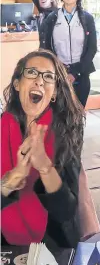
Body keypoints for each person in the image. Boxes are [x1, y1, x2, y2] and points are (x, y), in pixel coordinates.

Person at [1, 49, 85, 250]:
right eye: (31, 73)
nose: (39, 81)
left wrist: (45, 167)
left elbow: (66, 211)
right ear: (17, 84)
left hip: (54, 244)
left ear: (55, 92)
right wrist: (13, 178)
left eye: (48, 77)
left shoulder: (67, 131)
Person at [43, 0, 97, 107]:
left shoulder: (87, 18)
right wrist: (60, 69)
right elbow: (46, 47)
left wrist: (75, 72)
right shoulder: (52, 18)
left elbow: (92, 48)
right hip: (58, 74)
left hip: (81, 74)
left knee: (78, 114)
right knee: (58, 117)